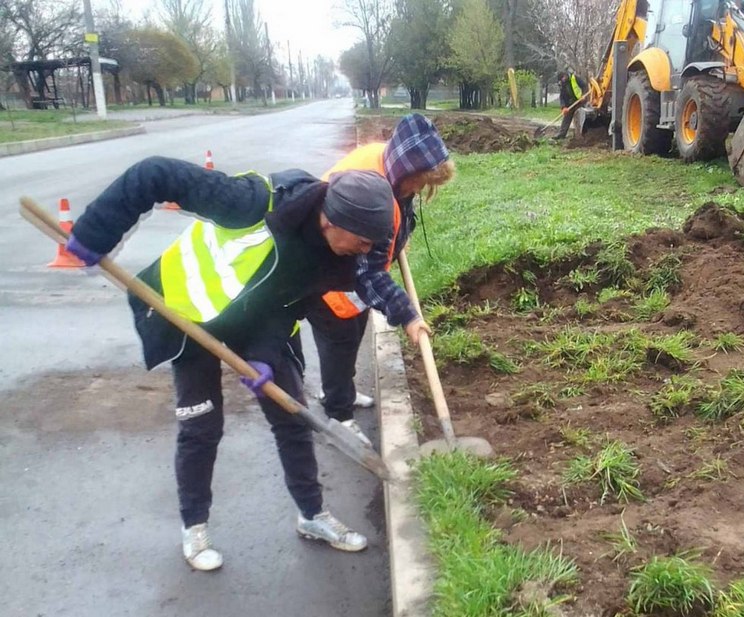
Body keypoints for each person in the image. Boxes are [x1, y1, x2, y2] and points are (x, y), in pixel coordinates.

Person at [64, 156, 396, 571]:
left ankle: (312, 515)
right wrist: (98, 230)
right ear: (331, 220)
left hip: (254, 319)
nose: (366, 252)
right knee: (201, 428)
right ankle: (195, 528)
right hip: (186, 312)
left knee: (292, 416)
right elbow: (154, 174)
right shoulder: (250, 202)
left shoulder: (332, 257)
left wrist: (263, 356)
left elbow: (287, 303)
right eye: (363, 241)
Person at [300, 114, 454, 444]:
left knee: (353, 335)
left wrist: (402, 237)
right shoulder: (373, 191)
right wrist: (409, 316)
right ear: (405, 169)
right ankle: (338, 414)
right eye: (420, 181)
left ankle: (343, 390)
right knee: (338, 343)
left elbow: (402, 209)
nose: (420, 189)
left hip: (350, 266)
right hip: (328, 277)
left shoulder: (392, 161)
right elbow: (367, 275)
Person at [553, 70, 589, 140]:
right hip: (570, 103)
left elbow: (584, 86)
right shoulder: (563, 84)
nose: (563, 79)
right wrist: (563, 107)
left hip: (580, 102)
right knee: (567, 117)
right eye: (561, 79)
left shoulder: (574, 78)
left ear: (565, 75)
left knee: (580, 117)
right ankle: (561, 134)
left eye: (563, 78)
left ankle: (584, 134)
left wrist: (583, 95)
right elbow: (562, 97)